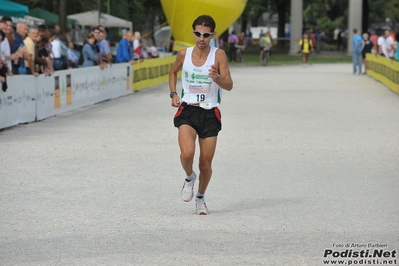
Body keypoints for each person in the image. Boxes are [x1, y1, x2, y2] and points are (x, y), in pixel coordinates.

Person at [169, 15, 233, 215]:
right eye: (198, 34)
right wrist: (173, 94)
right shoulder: (183, 54)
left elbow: (229, 85)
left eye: (206, 35)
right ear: (193, 33)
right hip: (188, 108)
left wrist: (217, 78)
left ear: (212, 35)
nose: (201, 38)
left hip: (210, 112)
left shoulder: (218, 55)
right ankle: (189, 177)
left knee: (205, 164)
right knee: (187, 154)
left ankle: (200, 198)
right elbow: (172, 73)